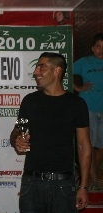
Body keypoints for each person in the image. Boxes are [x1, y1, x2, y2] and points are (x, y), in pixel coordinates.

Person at [10, 52, 91, 212]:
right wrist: (17, 139)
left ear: (57, 71)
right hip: (31, 183)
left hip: (64, 184)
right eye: (36, 67)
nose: (35, 72)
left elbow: (84, 146)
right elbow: (17, 131)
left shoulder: (77, 104)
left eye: (42, 67)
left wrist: (84, 186)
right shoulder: (29, 101)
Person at [73, 32, 103, 190]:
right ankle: (92, 177)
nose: (101, 50)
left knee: (101, 147)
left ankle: (90, 172)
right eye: (98, 46)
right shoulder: (85, 62)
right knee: (89, 144)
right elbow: (64, 71)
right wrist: (77, 88)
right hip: (88, 108)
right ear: (92, 48)